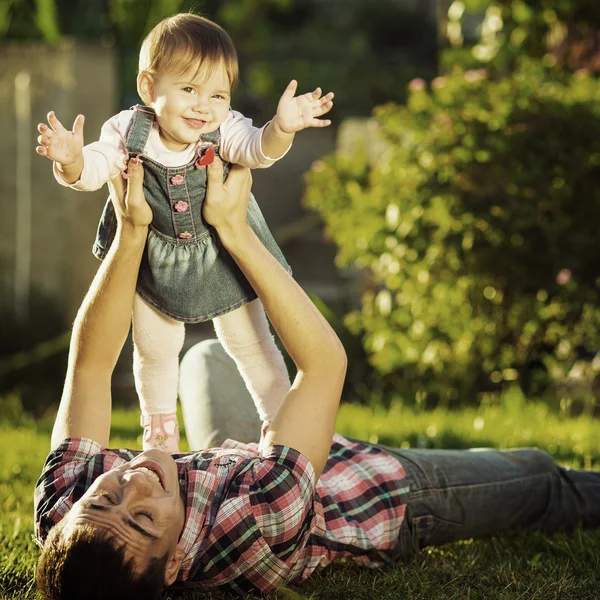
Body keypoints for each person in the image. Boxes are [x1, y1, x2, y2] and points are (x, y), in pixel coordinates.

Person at [34, 159, 600, 600]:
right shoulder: (258, 520)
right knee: (539, 478)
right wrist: (234, 230)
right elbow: (325, 366)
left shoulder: (67, 509)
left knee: (203, 359)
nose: (132, 481)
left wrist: (132, 233)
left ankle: (254, 446)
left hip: (234, 460)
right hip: (361, 495)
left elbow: (89, 365)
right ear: (176, 564)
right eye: (141, 517)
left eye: (105, 498)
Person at [35, 12, 334, 453]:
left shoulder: (224, 126)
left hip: (225, 255)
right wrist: (71, 161)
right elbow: (95, 169)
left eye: (217, 93)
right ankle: (160, 439)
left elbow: (256, 150)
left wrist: (281, 129)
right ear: (148, 88)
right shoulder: (127, 130)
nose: (203, 106)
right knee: (155, 351)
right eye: (189, 89)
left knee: (253, 344)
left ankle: (282, 429)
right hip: (156, 258)